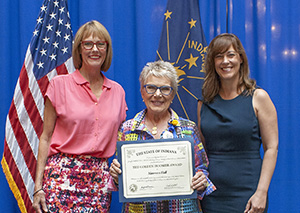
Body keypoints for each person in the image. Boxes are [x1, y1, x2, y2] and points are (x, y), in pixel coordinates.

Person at [32, 20, 127, 212]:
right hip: (61, 178)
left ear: (107, 49)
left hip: (99, 180)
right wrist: (38, 187)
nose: (95, 49)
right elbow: (46, 137)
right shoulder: (59, 85)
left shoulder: (118, 91)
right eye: (88, 44)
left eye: (101, 44)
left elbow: (122, 140)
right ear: (79, 49)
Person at [109, 60, 216, 213]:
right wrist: (116, 175)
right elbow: (121, 181)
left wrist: (201, 179)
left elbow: (202, 168)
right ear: (142, 92)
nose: (157, 94)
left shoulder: (188, 129)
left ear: (173, 94)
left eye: (165, 89)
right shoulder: (127, 130)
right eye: (151, 88)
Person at [197, 33, 278, 213]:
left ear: (241, 58)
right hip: (211, 194)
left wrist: (262, 192)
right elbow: (202, 151)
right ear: (213, 63)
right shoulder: (204, 103)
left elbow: (272, 147)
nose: (225, 61)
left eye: (231, 55)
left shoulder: (259, 98)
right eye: (219, 56)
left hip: (248, 193)